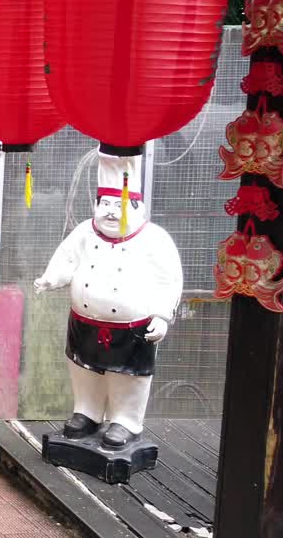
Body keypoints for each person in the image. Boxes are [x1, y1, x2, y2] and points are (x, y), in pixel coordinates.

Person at [34, 151, 183, 449]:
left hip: (132, 328)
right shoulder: (84, 233)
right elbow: (66, 259)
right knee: (84, 370)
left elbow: (169, 280)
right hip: (84, 322)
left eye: (120, 204)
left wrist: (162, 316)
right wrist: (51, 278)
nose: (111, 212)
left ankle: (125, 422)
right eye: (105, 204)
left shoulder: (154, 239)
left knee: (127, 378)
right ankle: (86, 413)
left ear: (137, 206)